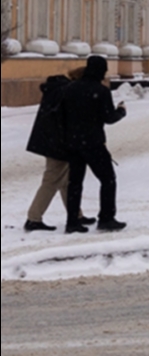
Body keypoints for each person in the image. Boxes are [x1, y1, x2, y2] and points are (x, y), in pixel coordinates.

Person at [60, 54, 127, 233]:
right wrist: (121, 112)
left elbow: (62, 115)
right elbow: (108, 117)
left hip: (73, 142)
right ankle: (106, 217)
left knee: (75, 182)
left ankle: (72, 221)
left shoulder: (70, 88)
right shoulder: (101, 91)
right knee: (107, 179)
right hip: (93, 142)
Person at [23, 66, 85, 232]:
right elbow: (67, 120)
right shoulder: (65, 92)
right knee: (52, 181)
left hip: (52, 141)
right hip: (58, 144)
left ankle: (76, 214)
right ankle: (33, 218)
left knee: (65, 181)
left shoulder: (57, 89)